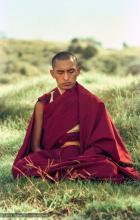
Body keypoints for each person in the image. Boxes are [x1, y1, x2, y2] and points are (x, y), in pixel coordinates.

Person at [12, 51, 140, 183]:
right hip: (53, 156)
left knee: (108, 167)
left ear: (78, 71)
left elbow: (104, 142)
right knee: (21, 166)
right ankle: (69, 172)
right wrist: (49, 160)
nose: (66, 77)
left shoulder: (92, 102)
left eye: (71, 71)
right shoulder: (43, 104)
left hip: (83, 156)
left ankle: (59, 173)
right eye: (60, 72)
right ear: (52, 74)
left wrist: (83, 158)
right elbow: (36, 147)